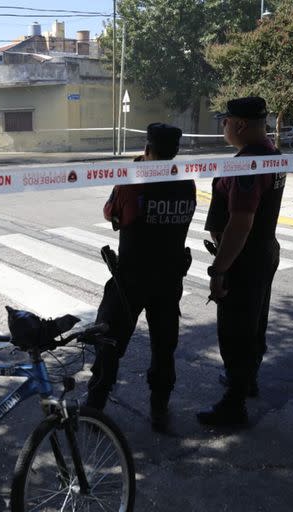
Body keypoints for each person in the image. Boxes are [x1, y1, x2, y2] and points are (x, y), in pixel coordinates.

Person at [85, 123, 196, 433]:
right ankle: (159, 408)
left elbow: (112, 214)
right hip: (169, 277)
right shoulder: (185, 182)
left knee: (107, 341)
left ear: (148, 148)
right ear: (175, 151)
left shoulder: (133, 181)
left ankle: (95, 407)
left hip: (131, 280)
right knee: (164, 347)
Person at [198, 96, 286, 427]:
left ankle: (234, 405)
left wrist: (219, 269)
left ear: (240, 124)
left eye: (225, 121)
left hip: (244, 256)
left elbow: (241, 222)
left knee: (235, 331)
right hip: (264, 251)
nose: (223, 126)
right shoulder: (271, 154)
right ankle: (247, 381)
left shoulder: (249, 163)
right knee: (254, 322)